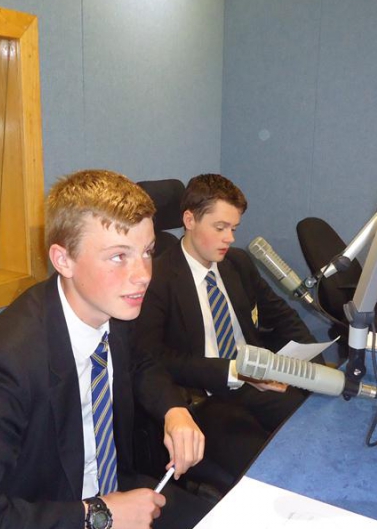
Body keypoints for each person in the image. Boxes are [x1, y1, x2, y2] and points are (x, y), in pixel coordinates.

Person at [0, 170, 212, 529]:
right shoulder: (7, 364)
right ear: (63, 260)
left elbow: (141, 362)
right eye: (118, 256)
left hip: (115, 490)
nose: (142, 275)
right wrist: (100, 516)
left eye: (147, 252)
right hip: (46, 527)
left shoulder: (113, 306)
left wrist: (174, 410)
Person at [133, 173, 321, 479]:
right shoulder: (158, 278)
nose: (229, 238)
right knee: (264, 465)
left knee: (311, 430)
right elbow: (156, 358)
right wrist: (234, 371)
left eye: (234, 228)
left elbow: (282, 316)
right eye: (220, 228)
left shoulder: (238, 263)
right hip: (206, 394)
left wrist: (317, 369)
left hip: (256, 379)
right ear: (189, 220)